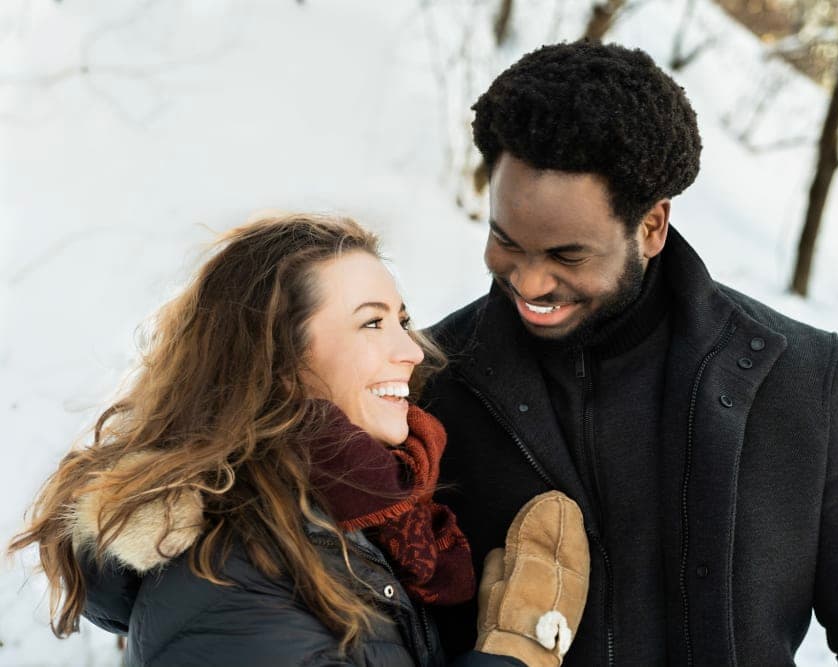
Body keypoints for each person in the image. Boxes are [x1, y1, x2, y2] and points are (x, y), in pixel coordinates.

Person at [421, 41, 838, 666]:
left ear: (651, 226)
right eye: (506, 241)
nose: (530, 283)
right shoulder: (431, 382)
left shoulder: (807, 381)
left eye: (567, 256)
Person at [10, 214, 590, 667]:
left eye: (402, 319)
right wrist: (511, 656)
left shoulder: (349, 528)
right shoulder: (234, 568)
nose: (411, 351)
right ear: (279, 362)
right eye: (371, 322)